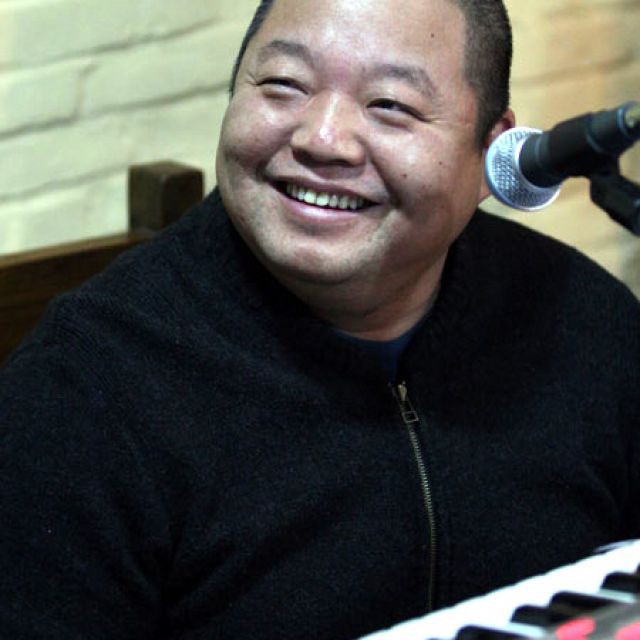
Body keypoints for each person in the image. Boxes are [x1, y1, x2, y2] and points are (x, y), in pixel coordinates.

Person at [1, 0, 639, 638]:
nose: (322, 139)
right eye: (284, 84)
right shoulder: (81, 393)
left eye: (390, 104)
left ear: (492, 154)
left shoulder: (579, 319)